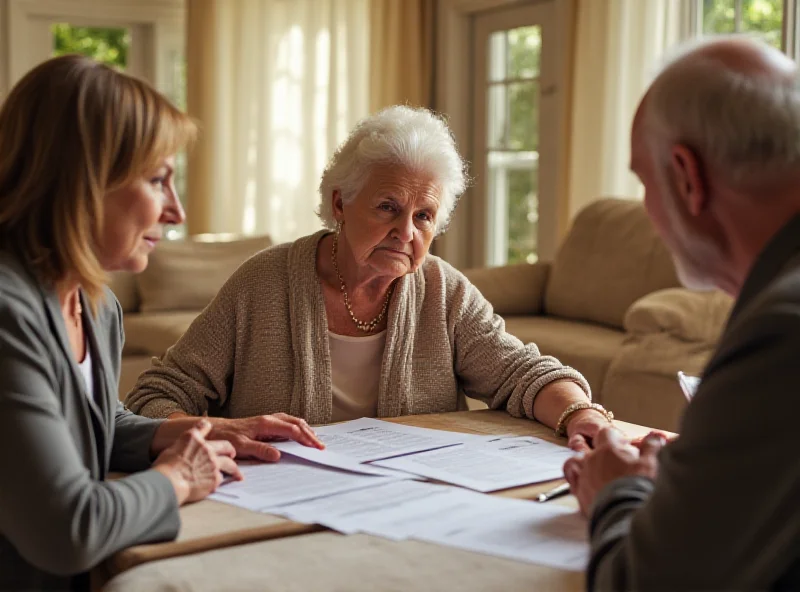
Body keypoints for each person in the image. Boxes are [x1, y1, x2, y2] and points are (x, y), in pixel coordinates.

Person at [0, 55, 321, 591]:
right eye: (157, 181)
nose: (176, 212)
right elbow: (66, 529)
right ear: (84, 181)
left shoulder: (95, 304)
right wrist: (176, 477)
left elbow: (92, 426)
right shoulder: (9, 315)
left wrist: (202, 429)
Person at [125, 105, 614, 446]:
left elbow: (523, 374)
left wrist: (579, 413)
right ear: (340, 202)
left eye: (424, 216)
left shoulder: (443, 292)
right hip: (280, 496)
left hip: (408, 503)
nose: (405, 231)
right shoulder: (263, 284)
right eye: (388, 207)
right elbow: (156, 396)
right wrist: (218, 433)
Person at [563, 36, 800, 590]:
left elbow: (646, 581)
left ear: (686, 176)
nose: (648, 210)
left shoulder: (781, 330)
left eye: (644, 181)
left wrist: (616, 491)